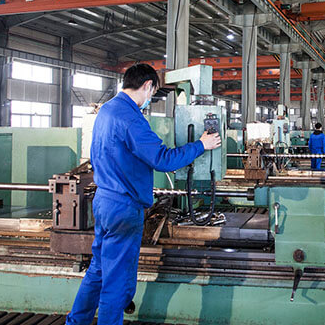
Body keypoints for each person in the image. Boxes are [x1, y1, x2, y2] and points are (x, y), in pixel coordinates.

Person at [66, 64, 221, 325]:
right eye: (153, 93)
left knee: (98, 269)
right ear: (148, 85)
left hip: (104, 201)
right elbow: (162, 159)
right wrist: (200, 145)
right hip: (124, 207)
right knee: (117, 283)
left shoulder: (106, 111)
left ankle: (76, 322)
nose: (150, 99)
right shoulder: (131, 118)